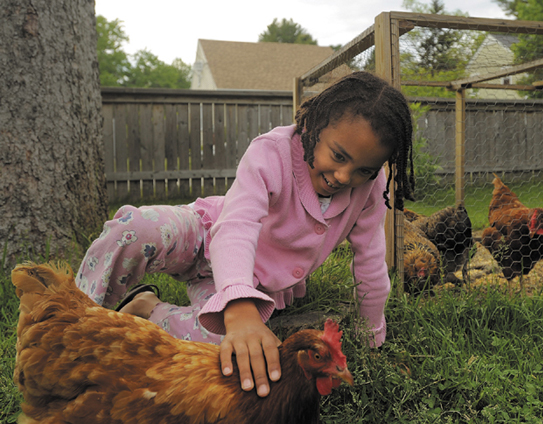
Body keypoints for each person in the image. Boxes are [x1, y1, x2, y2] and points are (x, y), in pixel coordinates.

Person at [76, 71, 414, 398]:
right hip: (205, 235)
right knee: (135, 229)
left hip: (255, 286)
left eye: (363, 170)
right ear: (314, 127)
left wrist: (372, 340)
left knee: (230, 348)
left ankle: (148, 310)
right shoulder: (273, 152)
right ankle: (74, 321)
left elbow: (370, 262)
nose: (344, 175)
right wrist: (237, 306)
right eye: (338, 156)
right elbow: (236, 226)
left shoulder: (370, 190)